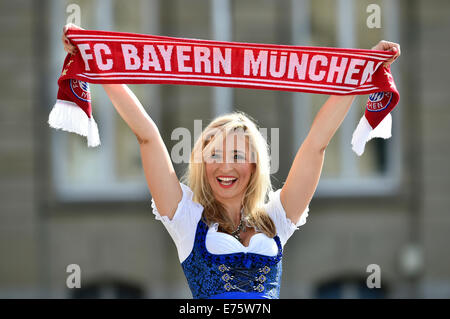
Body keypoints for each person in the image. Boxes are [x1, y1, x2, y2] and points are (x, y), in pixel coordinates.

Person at [62, 24, 400, 299]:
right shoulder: (186, 219)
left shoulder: (277, 219)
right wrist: (96, 63)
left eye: (237, 156)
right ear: (202, 163)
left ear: (254, 165)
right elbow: (147, 135)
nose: (225, 166)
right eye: (215, 156)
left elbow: (316, 144)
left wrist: (363, 72)